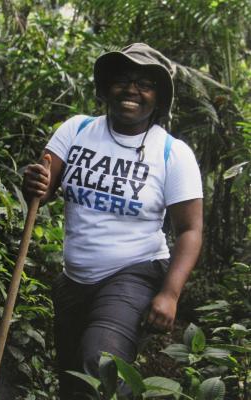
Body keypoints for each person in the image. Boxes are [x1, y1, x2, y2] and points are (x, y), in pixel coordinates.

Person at [22, 43, 203, 399]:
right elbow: (42, 190)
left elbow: (190, 230)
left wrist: (169, 293)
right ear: (106, 87)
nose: (132, 89)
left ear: (158, 98)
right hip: (73, 280)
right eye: (122, 79)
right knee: (73, 379)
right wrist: (34, 184)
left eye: (144, 83)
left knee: (101, 364)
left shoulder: (173, 153)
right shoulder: (76, 130)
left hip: (134, 273)